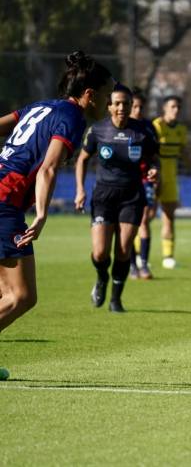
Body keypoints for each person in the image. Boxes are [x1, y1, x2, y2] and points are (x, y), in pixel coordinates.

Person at [0, 51, 112, 379]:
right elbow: (48, 167)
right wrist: (42, 214)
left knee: (5, 293)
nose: (108, 104)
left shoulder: (40, 106)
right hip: (4, 203)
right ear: (89, 94)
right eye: (106, 96)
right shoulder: (73, 117)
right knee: (21, 296)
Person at [75, 84, 159, 313]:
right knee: (101, 252)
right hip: (103, 196)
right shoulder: (98, 130)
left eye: (126, 103)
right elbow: (82, 159)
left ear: (132, 105)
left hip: (132, 196)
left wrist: (153, 169)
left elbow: (154, 159)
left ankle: (116, 299)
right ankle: (102, 277)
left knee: (123, 251)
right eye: (117, 103)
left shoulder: (143, 131)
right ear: (109, 105)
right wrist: (80, 190)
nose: (122, 107)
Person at [152, 96, 191, 269]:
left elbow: (184, 152)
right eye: (173, 106)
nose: (176, 110)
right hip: (154, 177)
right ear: (164, 108)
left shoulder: (181, 129)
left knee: (169, 217)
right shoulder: (156, 126)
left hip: (171, 177)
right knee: (146, 216)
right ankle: (138, 256)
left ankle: (168, 256)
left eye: (178, 107)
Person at [128, 87, 159, 279]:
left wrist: (158, 178)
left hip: (146, 179)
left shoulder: (149, 127)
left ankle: (144, 265)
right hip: (126, 180)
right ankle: (132, 265)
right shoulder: (121, 127)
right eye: (135, 106)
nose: (138, 110)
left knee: (144, 220)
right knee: (129, 224)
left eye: (141, 107)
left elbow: (156, 155)